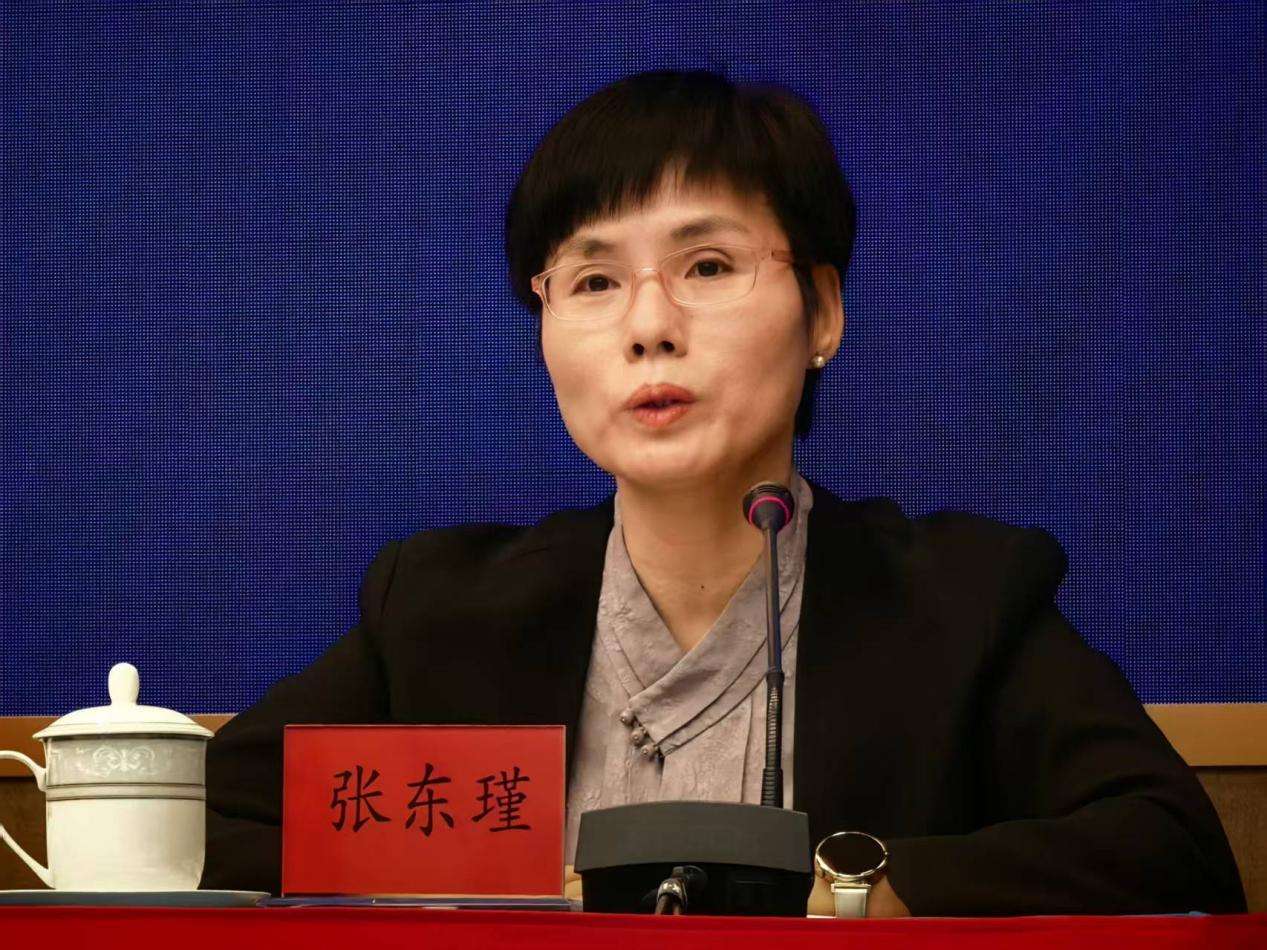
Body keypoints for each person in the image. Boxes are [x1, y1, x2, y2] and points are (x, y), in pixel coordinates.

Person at [200, 69, 1246, 916]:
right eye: (594, 281)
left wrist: (861, 893)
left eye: (706, 265)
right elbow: (205, 824)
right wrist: (459, 892)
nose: (649, 325)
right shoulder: (439, 608)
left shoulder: (960, 601)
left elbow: (1170, 847)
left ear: (821, 311)